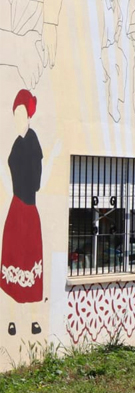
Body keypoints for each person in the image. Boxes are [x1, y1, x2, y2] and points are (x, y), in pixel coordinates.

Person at [2, 90, 44, 337]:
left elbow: (36, 183)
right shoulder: (16, 142)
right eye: (15, 112)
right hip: (14, 210)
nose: (18, 117)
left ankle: (34, 321)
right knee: (12, 269)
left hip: (28, 212)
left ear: (29, 115)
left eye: (21, 112)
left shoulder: (32, 141)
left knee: (29, 268)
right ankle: (12, 321)